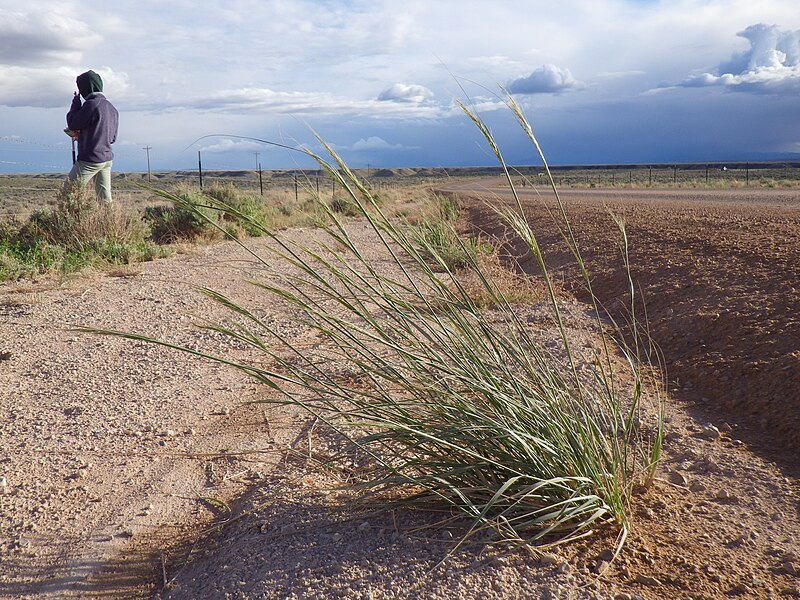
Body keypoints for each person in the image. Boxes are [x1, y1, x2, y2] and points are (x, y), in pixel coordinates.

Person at [65, 70, 119, 204]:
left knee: (68, 192)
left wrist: (75, 104)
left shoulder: (91, 105)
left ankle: (73, 222)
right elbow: (112, 138)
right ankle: (109, 222)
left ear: (84, 88)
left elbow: (73, 123)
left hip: (90, 159)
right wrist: (86, 135)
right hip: (106, 159)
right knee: (105, 199)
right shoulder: (112, 108)